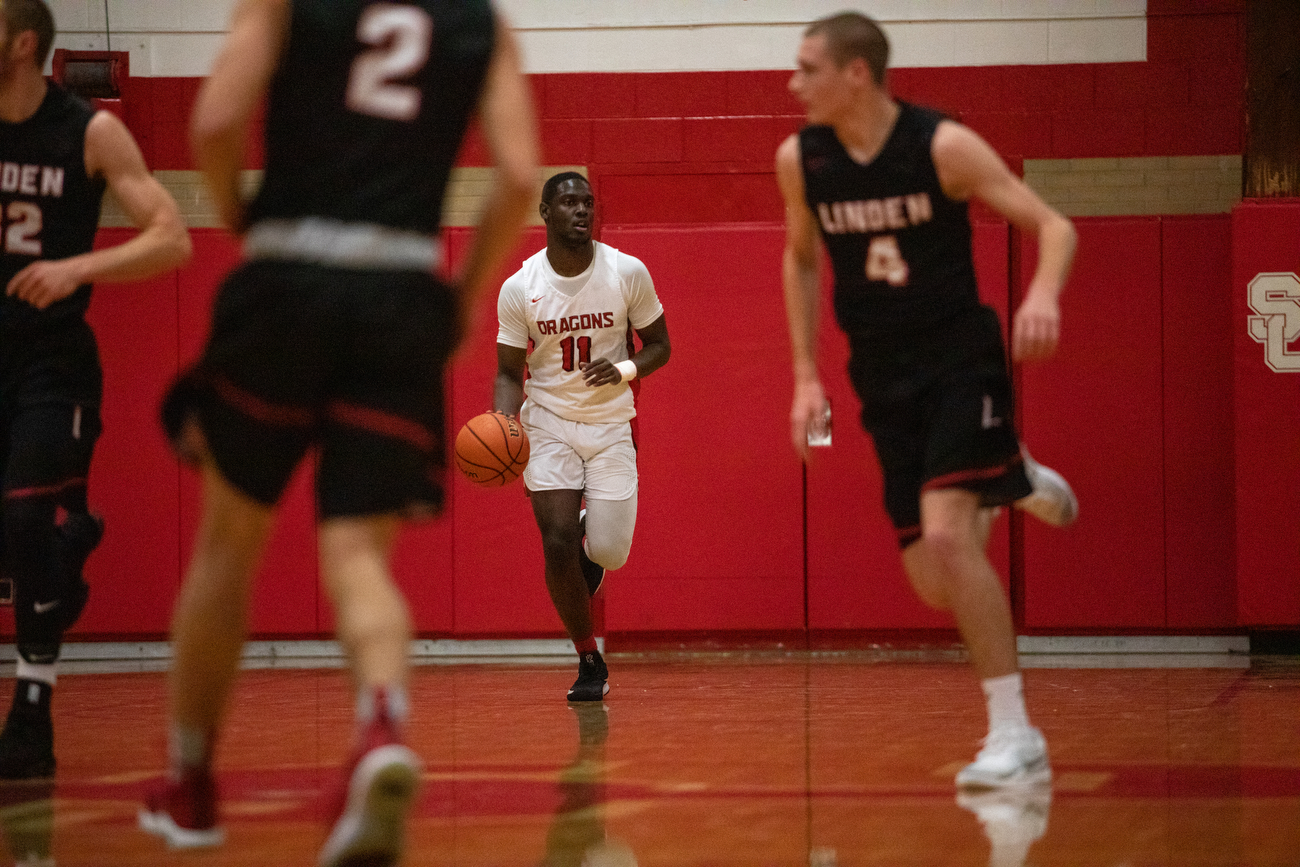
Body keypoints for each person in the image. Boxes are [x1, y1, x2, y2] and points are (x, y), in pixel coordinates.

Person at [136, 0, 537, 862]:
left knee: (227, 545)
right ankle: (381, 725)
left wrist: (247, 224)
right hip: (401, 296)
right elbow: (516, 176)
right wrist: (465, 298)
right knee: (359, 555)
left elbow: (214, 123)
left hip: (285, 282)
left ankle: (192, 782)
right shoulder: (482, 23)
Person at [777, 12, 1078, 789]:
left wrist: (1042, 293)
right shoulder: (803, 160)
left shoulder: (942, 145)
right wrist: (806, 373)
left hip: (957, 360)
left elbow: (1053, 226)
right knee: (931, 578)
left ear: (856, 74)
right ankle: (1011, 475)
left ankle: (1014, 732)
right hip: (882, 375)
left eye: (808, 68)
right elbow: (802, 259)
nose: (793, 83)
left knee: (948, 536)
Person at [0, 0, 191, 780]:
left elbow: (172, 237)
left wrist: (76, 268)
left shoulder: (88, 131)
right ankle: (65, 549)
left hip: (51, 361)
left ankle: (31, 714)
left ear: (22, 43)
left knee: (23, 517)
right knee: (22, 546)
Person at [494, 172, 670, 702]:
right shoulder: (520, 287)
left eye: (588, 203)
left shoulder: (626, 271)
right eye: (570, 202)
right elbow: (508, 372)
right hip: (548, 422)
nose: (582, 211)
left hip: (610, 423)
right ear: (545, 213)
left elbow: (660, 345)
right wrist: (503, 422)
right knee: (556, 543)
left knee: (610, 553)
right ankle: (588, 658)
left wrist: (625, 369)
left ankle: (591, 544)